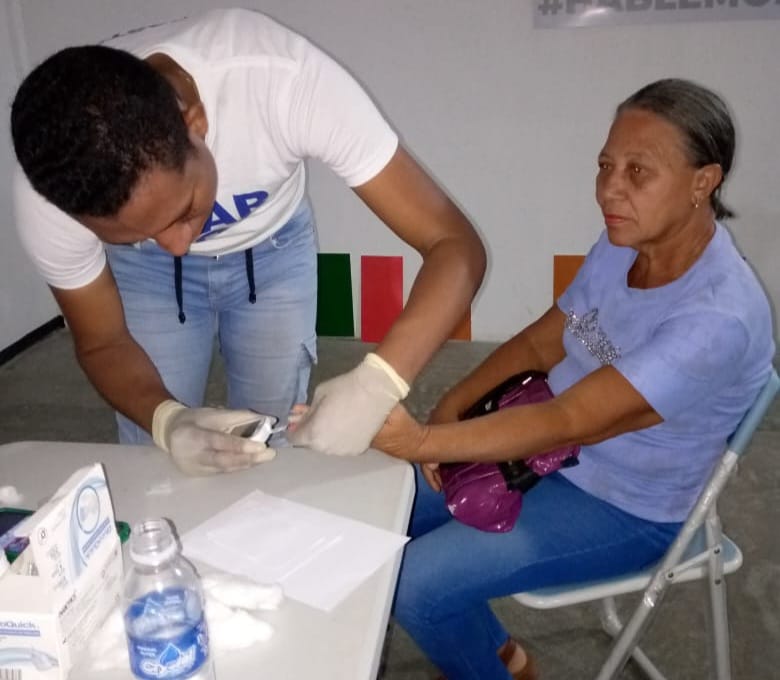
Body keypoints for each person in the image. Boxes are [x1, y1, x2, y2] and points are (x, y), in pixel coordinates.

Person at [370, 78, 775, 679]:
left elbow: (567, 420)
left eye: (638, 172)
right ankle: (505, 657)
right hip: (548, 452)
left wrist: (425, 442)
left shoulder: (717, 318)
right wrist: (451, 407)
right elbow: (543, 341)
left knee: (414, 585)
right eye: (606, 165)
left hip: (627, 506)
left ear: (703, 182)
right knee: (380, 513)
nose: (610, 188)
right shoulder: (623, 244)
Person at [10, 8, 486, 475]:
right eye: (138, 236)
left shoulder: (278, 82)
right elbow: (104, 342)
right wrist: (166, 420)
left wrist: (379, 380)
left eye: (183, 211)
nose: (178, 246)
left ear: (196, 123)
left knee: (269, 438)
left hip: (273, 250)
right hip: (147, 279)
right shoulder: (52, 193)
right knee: (153, 454)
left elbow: (454, 244)